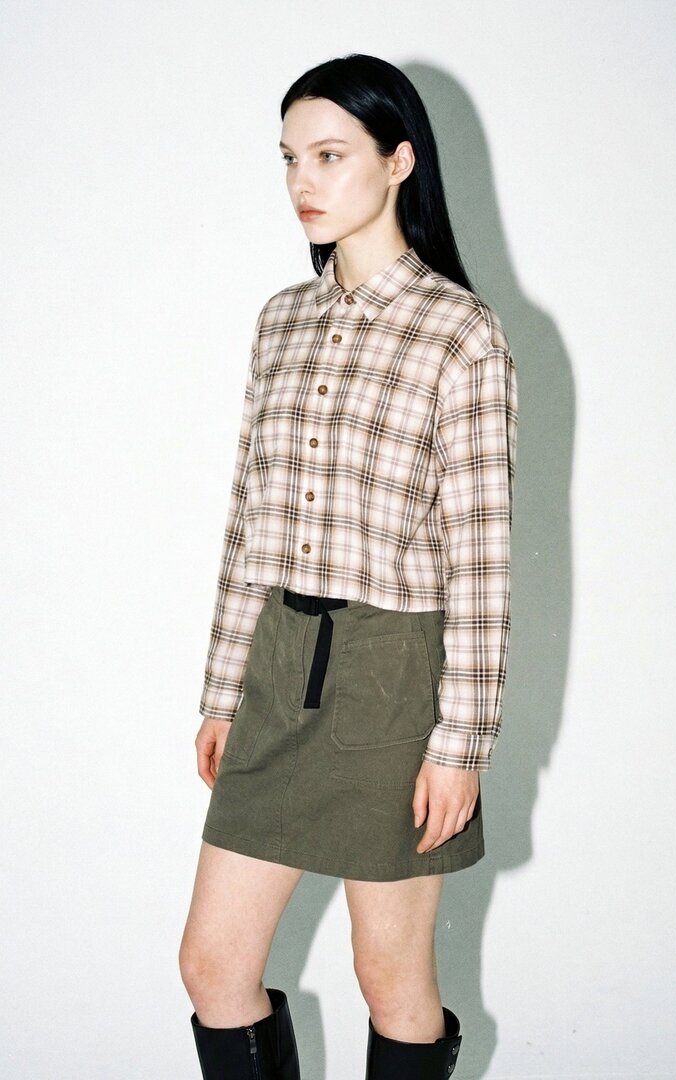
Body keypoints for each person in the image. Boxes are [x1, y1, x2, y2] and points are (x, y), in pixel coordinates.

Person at [179, 53, 518, 1080]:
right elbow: (250, 523)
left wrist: (462, 744)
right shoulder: (281, 321)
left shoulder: (460, 333)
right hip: (279, 663)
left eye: (330, 155)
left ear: (399, 160)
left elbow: (483, 560)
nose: (303, 181)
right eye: (290, 159)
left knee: (391, 976)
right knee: (213, 965)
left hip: (391, 678)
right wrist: (225, 689)